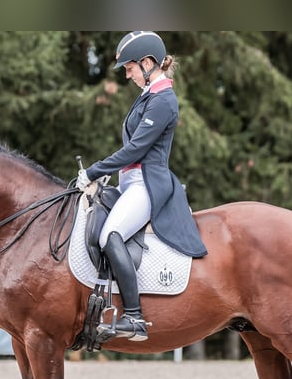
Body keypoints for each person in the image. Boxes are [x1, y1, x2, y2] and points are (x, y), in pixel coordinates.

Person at [77, 31, 208, 342]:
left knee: (111, 234)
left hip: (148, 183)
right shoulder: (149, 96)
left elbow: (136, 150)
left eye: (130, 67)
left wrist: (95, 171)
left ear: (148, 63)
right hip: (131, 181)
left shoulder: (163, 100)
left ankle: (134, 317)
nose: (127, 74)